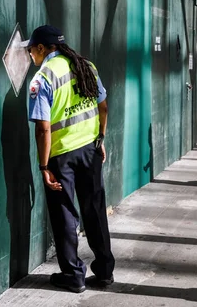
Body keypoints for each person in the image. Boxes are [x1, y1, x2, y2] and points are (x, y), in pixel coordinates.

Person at [25, 25, 115, 293]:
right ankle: (105, 271)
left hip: (61, 155)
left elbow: (42, 129)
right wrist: (100, 138)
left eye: (31, 50)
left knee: (65, 213)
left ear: (42, 48)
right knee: (95, 209)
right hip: (90, 149)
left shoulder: (43, 78)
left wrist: (43, 166)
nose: (31, 55)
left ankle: (74, 275)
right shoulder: (86, 65)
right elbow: (103, 106)